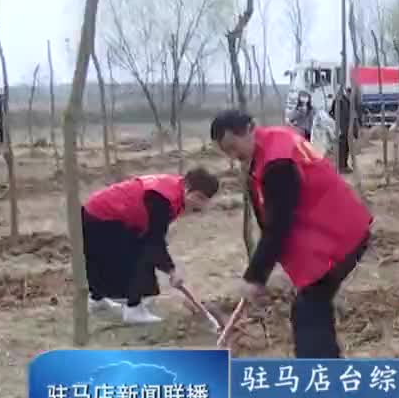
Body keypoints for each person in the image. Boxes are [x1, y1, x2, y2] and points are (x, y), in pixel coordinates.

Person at [211, 110, 373, 358]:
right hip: (331, 229)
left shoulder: (277, 162)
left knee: (309, 309)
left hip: (337, 235)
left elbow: (278, 225)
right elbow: (267, 216)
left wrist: (254, 276)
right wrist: (262, 272)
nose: (234, 156)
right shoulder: (271, 144)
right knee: (312, 305)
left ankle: (321, 378)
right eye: (227, 152)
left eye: (234, 147)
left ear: (250, 128)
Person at [82, 169, 220, 324]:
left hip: (100, 212)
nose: (199, 204)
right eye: (198, 197)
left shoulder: (173, 188)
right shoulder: (162, 199)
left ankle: (97, 300)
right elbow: (154, 241)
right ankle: (134, 309)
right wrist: (171, 270)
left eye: (205, 200)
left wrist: (168, 268)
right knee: (139, 255)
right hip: (102, 216)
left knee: (134, 251)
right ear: (187, 188)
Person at [332, 87, 355, 174]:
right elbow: (334, 113)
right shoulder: (339, 100)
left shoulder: (346, 100)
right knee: (342, 148)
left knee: (346, 148)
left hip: (346, 129)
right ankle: (341, 167)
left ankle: (344, 165)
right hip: (342, 129)